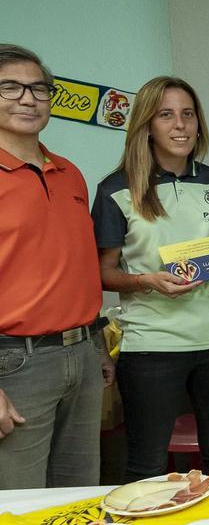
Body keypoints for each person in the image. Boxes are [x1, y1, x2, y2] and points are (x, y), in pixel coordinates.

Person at [93, 76, 209, 481]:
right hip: (152, 345)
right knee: (147, 465)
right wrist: (147, 281)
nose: (180, 125)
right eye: (166, 115)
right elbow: (102, 273)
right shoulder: (115, 189)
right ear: (146, 125)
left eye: (188, 114)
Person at [0, 44, 111, 489]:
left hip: (81, 354)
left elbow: (76, 266)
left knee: (78, 494)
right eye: (11, 87)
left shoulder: (70, 173)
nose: (28, 98)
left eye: (39, 88)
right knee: (18, 505)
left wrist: (98, 344)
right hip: (14, 363)